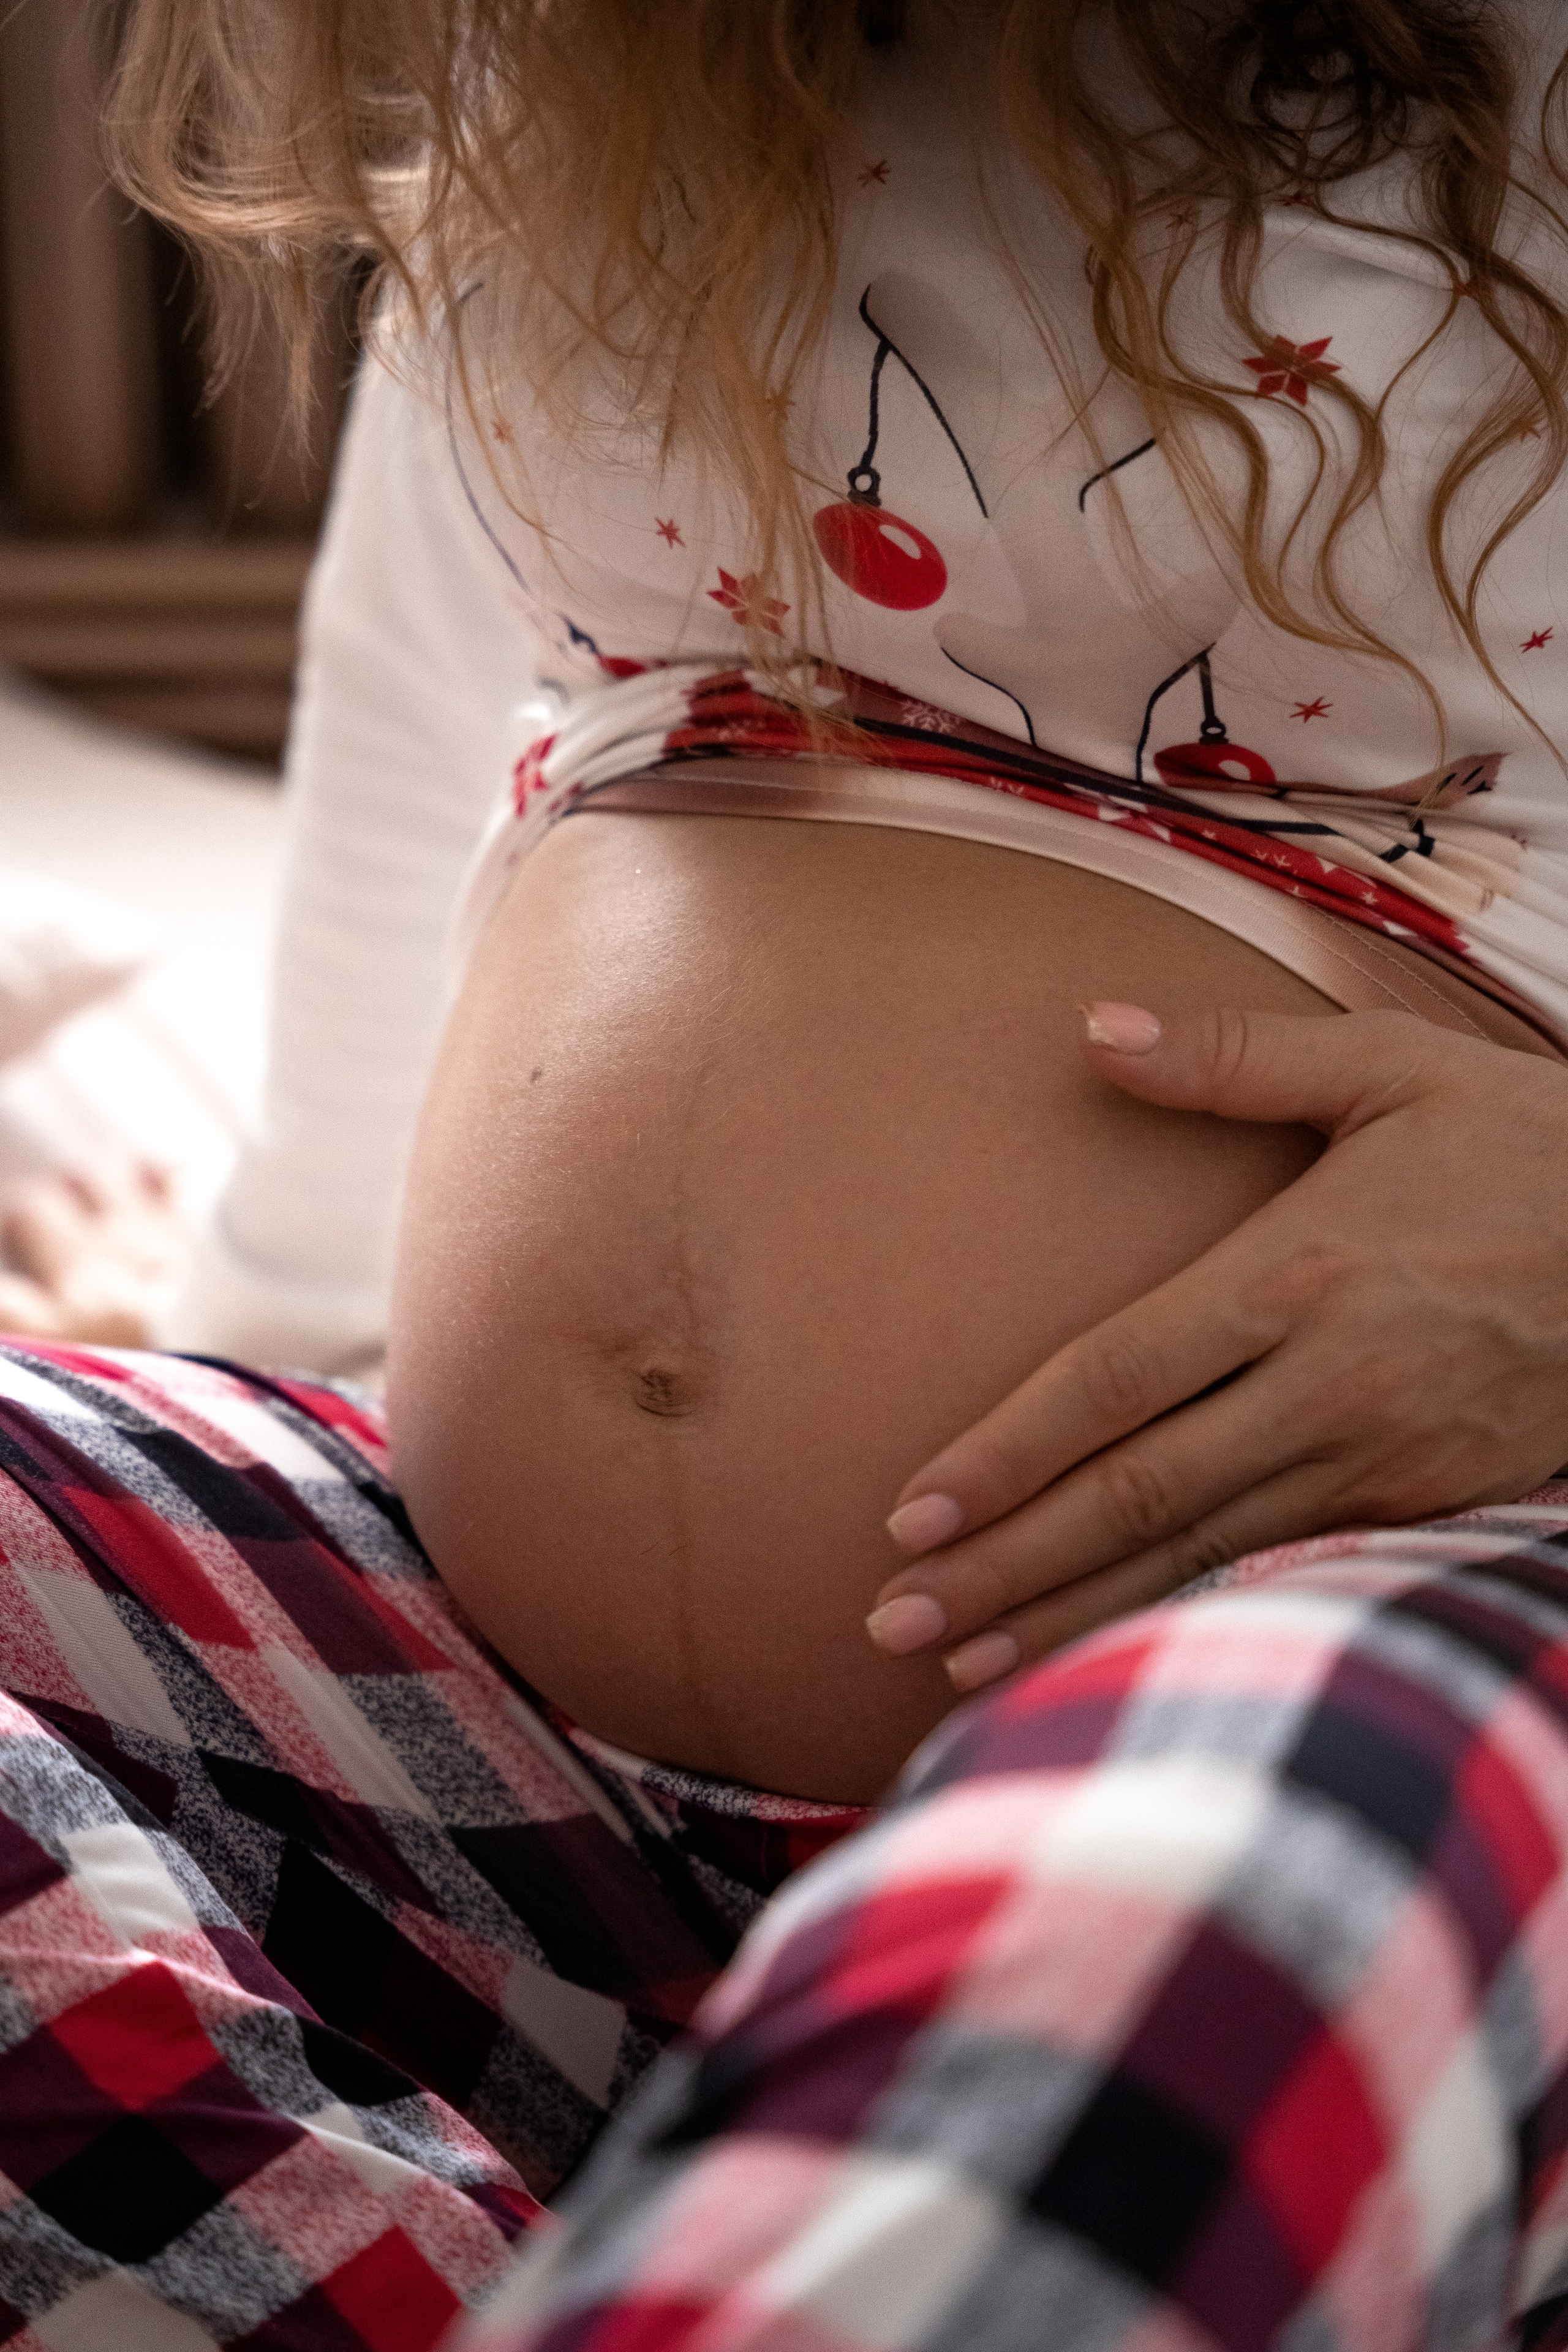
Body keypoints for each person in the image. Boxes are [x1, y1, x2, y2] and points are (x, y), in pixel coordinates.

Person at [0, 0, 1566, 2342]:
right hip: (493, 1741)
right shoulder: (606, 69)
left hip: (1400, 1608)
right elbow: (436, 689)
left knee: (1193, 1909)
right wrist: (253, 1333)